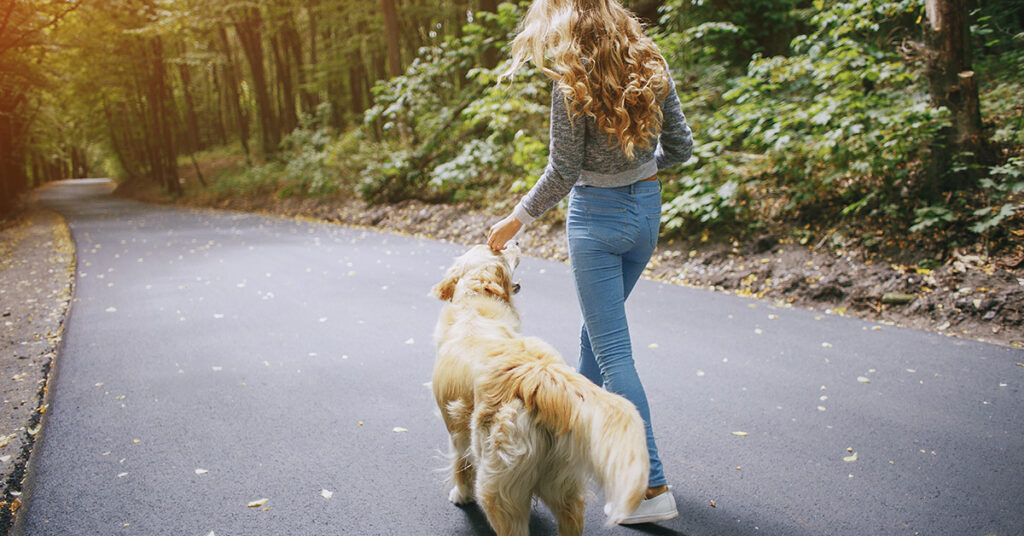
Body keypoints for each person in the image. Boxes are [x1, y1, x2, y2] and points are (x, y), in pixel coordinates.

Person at [486, 0, 693, 525]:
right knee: (593, 342)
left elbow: (563, 169)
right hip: (645, 214)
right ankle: (564, 449)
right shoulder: (651, 61)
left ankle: (651, 487)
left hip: (595, 223)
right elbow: (682, 148)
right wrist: (640, 169)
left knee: (614, 353)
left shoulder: (570, 81)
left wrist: (516, 219)